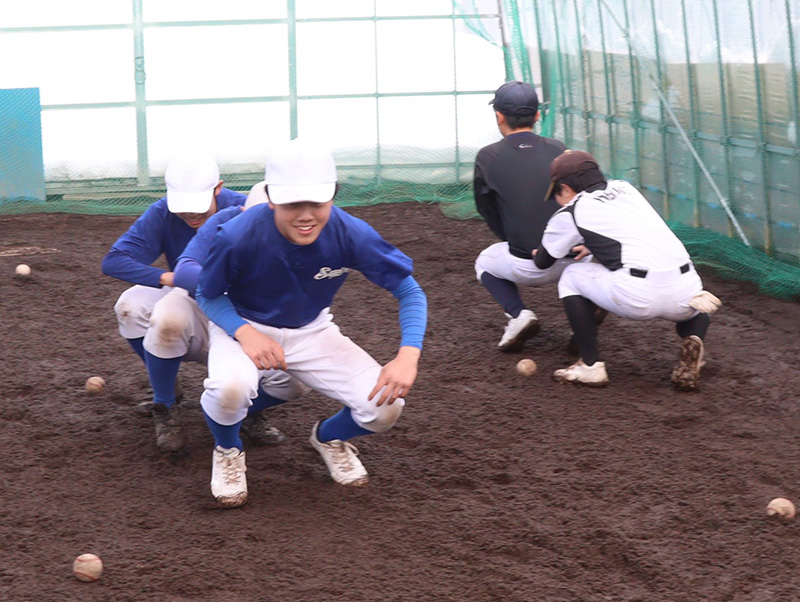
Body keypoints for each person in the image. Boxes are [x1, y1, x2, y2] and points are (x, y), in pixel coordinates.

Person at [195, 139, 428, 507]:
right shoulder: (238, 236)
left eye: (317, 202)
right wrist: (245, 333)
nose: (306, 215)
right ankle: (227, 450)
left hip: (312, 329)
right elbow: (207, 294)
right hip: (242, 325)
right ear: (270, 197)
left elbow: (410, 291)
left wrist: (407, 356)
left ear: (333, 195)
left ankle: (328, 437)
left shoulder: (351, 232)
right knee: (229, 389)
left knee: (386, 407)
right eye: (292, 203)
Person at [533, 150, 722, 389]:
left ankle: (590, 366)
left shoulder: (571, 211)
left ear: (567, 188)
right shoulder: (625, 188)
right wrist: (593, 246)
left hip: (639, 295)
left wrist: (547, 250)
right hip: (688, 290)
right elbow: (627, 231)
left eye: (557, 194)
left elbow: (543, 262)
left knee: (571, 276)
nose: (558, 200)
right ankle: (693, 339)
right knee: (694, 310)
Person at [101, 153, 247, 453]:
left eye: (198, 205)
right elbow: (114, 261)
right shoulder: (163, 212)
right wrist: (172, 277)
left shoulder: (244, 208)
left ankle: (255, 410)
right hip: (189, 293)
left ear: (218, 188)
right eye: (182, 206)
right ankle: (165, 400)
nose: (190, 215)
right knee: (130, 307)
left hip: (242, 301)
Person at [171, 181, 303, 446]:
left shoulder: (306, 237)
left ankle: (244, 413)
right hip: (224, 313)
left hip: (274, 319)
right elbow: (184, 271)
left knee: (296, 384)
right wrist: (224, 280)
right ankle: (224, 443)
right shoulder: (228, 224)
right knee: (229, 388)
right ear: (244, 211)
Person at [473, 80, 570, 352]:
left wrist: (511, 236)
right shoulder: (558, 149)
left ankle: (518, 314)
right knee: (586, 268)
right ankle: (583, 322)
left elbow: (486, 209)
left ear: (499, 116)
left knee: (484, 262)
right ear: (538, 115)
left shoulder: (488, 156)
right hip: (568, 261)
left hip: (524, 261)